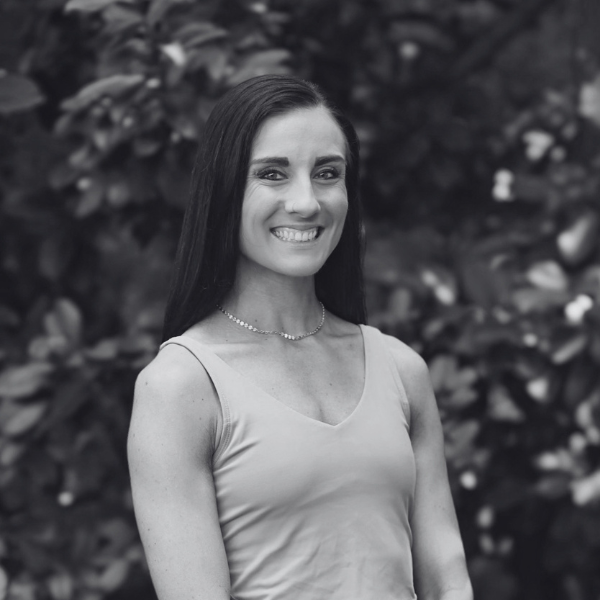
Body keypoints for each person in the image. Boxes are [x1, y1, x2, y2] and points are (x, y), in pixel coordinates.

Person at [127, 74, 473, 600]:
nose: (307, 202)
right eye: (272, 174)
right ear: (224, 191)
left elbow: (447, 577)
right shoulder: (179, 387)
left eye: (328, 173)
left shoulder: (402, 370)